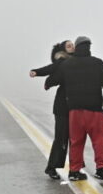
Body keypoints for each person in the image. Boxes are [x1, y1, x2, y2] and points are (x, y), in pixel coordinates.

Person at [46, 36, 103, 183]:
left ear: (77, 47)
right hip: (95, 111)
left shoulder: (67, 64)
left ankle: (74, 171)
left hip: (75, 113)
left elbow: (52, 80)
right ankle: (102, 170)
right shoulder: (97, 63)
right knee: (99, 142)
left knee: (76, 142)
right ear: (89, 47)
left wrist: (47, 83)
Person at [29, 39, 75, 179]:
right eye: (69, 45)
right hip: (62, 106)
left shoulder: (78, 61)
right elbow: (49, 69)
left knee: (75, 140)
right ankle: (51, 167)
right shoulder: (61, 62)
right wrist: (36, 72)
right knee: (61, 139)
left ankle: (75, 169)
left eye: (73, 45)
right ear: (63, 50)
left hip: (75, 106)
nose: (72, 47)